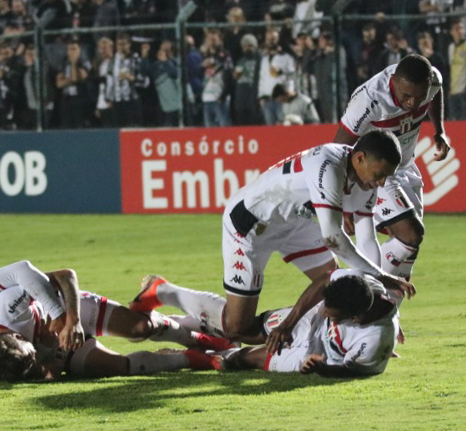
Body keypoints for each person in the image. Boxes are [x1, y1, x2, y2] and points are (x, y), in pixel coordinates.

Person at [166, 130, 413, 355]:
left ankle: (353, 340)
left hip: (296, 224)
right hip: (251, 225)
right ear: (360, 158)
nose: (381, 183)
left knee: (334, 283)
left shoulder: (367, 181)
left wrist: (383, 302)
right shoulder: (327, 165)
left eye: (386, 177)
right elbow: (333, 237)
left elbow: (367, 239)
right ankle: (166, 291)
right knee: (236, 326)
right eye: (379, 175)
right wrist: (382, 277)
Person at [132, 269, 400, 377]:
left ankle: (192, 349)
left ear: (355, 318)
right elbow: (324, 281)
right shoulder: (362, 286)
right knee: (240, 328)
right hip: (308, 321)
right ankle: (163, 291)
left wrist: (323, 368)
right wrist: (288, 325)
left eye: (334, 314)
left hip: (318, 355)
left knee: (240, 360)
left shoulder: (376, 338)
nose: (328, 313)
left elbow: (356, 371)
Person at [334, 55, 452, 286]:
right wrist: (342, 199)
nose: (412, 103)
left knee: (409, 246)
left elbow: (436, 92)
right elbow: (339, 149)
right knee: (411, 235)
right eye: (406, 95)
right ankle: (358, 291)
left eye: (419, 96)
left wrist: (439, 130)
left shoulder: (432, 81)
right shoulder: (369, 100)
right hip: (375, 173)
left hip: (406, 166)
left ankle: (386, 313)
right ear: (394, 80)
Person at [0, 281, 228, 382]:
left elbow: (65, 276)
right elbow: (47, 374)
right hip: (64, 346)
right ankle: (189, 358)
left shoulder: (9, 305)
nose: (35, 356)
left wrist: (71, 321)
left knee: (139, 327)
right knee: (118, 366)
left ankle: (200, 339)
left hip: (68, 309)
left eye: (32, 352)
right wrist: (60, 354)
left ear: (18, 335)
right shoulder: (6, 366)